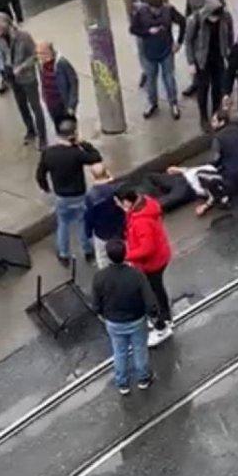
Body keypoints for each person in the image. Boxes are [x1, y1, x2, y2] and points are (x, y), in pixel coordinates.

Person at [92, 238, 157, 394]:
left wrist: (101, 314)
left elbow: (96, 303)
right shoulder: (136, 275)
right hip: (136, 319)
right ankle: (143, 378)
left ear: (108, 256)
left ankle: (122, 383)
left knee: (119, 352)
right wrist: (153, 316)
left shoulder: (100, 277)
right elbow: (149, 301)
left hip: (114, 322)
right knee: (139, 349)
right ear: (125, 254)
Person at [35, 118, 101, 265]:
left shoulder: (48, 153)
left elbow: (40, 175)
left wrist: (45, 187)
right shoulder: (76, 153)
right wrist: (84, 143)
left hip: (61, 196)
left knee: (63, 224)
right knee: (82, 223)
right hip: (78, 195)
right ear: (73, 135)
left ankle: (64, 253)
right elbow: (96, 158)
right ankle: (88, 251)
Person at [115, 185, 173, 346]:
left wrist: (127, 256)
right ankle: (166, 317)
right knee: (157, 290)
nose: (117, 206)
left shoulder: (141, 221)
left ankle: (162, 325)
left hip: (151, 263)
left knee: (152, 294)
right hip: (158, 257)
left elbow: (147, 248)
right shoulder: (144, 205)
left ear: (126, 202)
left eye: (118, 202)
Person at [129, 0, 185, 120]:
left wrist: (179, 42)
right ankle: (152, 103)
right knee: (151, 79)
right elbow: (133, 29)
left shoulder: (168, 9)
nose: (156, 11)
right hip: (149, 50)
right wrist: (147, 32)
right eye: (153, 8)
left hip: (166, 49)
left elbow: (183, 21)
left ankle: (173, 103)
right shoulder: (141, 12)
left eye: (158, 8)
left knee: (169, 78)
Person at [0, 12, 47, 149]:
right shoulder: (0, 39)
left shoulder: (23, 37)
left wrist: (22, 67)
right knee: (22, 105)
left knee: (35, 106)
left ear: (5, 25)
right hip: (13, 77)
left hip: (27, 77)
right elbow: (2, 55)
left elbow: (35, 56)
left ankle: (43, 137)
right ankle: (30, 130)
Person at [185, 0, 233, 130]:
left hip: (219, 56)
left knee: (218, 87)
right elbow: (188, 42)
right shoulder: (195, 20)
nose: (215, 19)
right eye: (213, 16)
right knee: (203, 89)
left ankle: (215, 114)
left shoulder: (226, 17)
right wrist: (191, 62)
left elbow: (230, 35)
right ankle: (203, 117)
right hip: (202, 60)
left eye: (217, 16)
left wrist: (229, 54)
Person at [201, 109, 238, 215]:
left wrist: (207, 165)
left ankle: (224, 198)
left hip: (234, 176)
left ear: (221, 122)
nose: (212, 124)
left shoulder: (218, 138)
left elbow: (214, 159)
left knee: (208, 176)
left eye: (214, 121)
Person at [84, 165, 124, 267]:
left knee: (102, 257)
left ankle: (106, 275)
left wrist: (88, 232)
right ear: (106, 172)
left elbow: (89, 217)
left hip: (101, 232)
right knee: (123, 253)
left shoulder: (90, 196)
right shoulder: (116, 188)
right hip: (119, 229)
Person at [36, 42, 78, 133]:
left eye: (41, 53)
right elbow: (43, 81)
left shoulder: (62, 63)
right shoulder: (41, 64)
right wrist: (44, 96)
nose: (39, 56)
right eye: (38, 53)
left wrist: (72, 105)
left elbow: (73, 83)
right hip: (51, 104)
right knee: (58, 129)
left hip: (63, 105)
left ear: (49, 52)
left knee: (69, 130)